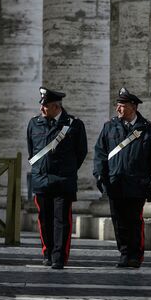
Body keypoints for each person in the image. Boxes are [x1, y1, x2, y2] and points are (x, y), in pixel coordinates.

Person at [93, 87, 151, 268]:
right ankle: (124, 253)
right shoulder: (109, 127)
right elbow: (100, 153)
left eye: (122, 105)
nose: (118, 109)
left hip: (137, 183)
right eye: (117, 105)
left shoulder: (148, 129)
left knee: (134, 221)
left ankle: (135, 255)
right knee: (118, 221)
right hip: (115, 182)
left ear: (133, 106)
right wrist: (100, 175)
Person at [27, 86, 88, 269]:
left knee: (61, 221)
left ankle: (59, 257)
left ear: (56, 106)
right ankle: (47, 252)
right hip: (41, 180)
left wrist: (67, 170)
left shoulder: (74, 125)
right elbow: (32, 150)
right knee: (45, 220)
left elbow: (81, 152)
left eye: (45, 106)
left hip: (63, 180)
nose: (41, 109)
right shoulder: (34, 123)